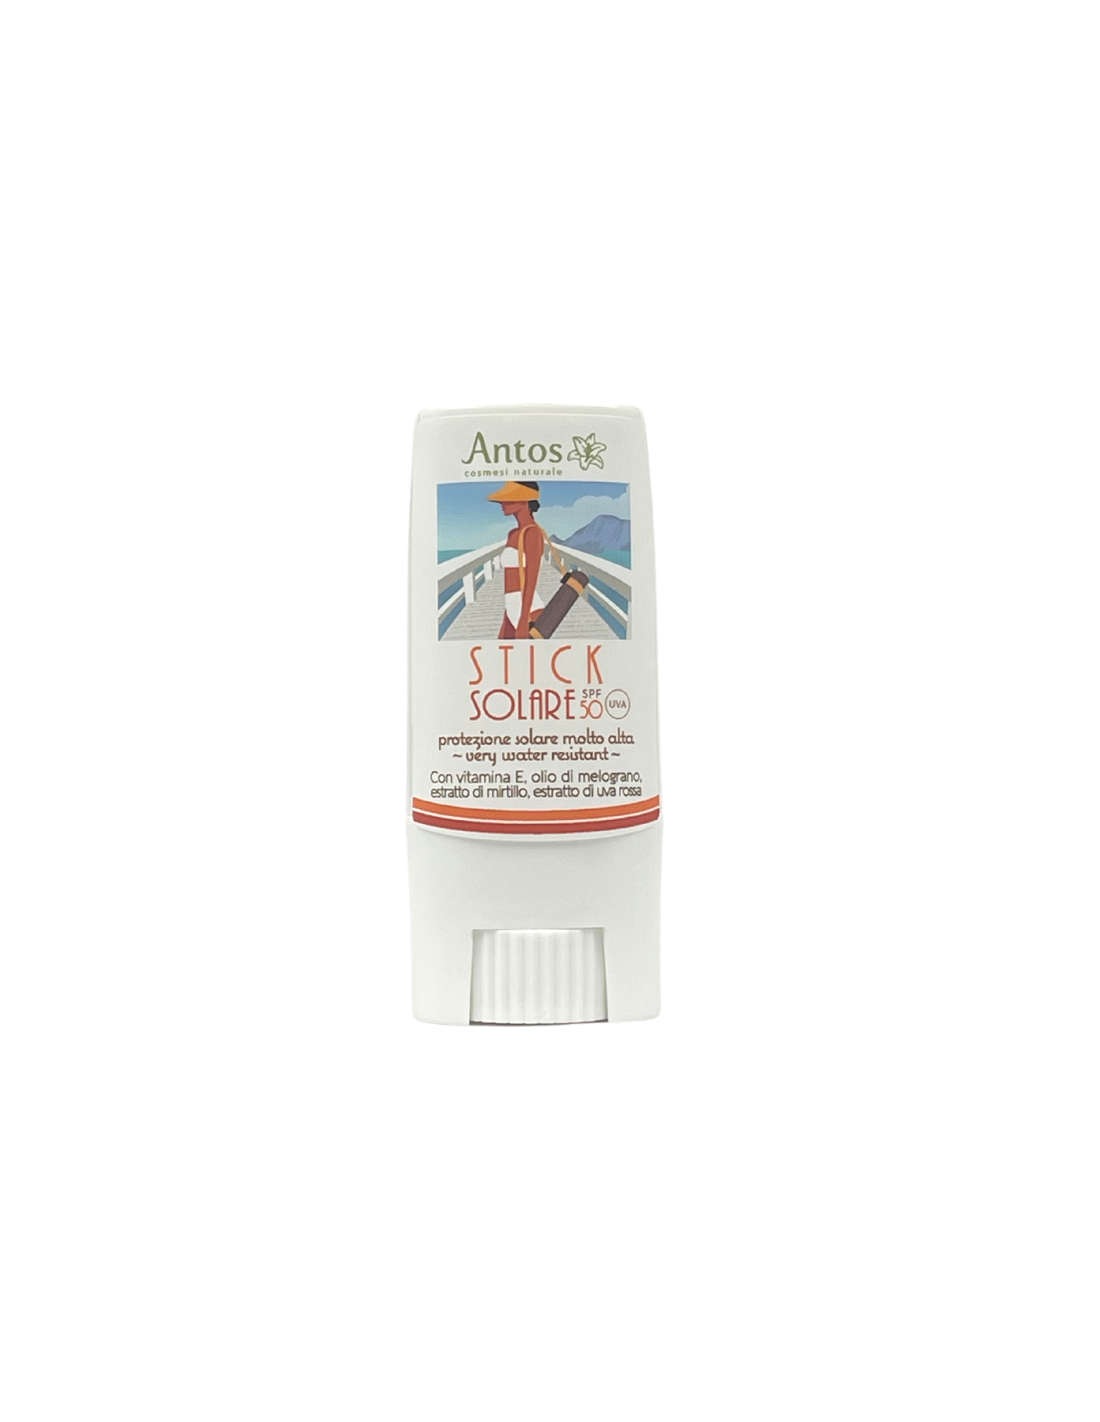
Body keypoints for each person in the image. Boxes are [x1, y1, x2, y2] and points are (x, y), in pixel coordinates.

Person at [486, 480, 546, 638]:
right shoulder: (512, 534)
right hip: (512, 606)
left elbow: (532, 578)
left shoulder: (532, 533)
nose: (502, 503)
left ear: (524, 500)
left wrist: (523, 618)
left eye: (508, 498)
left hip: (528, 610)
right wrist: (508, 616)